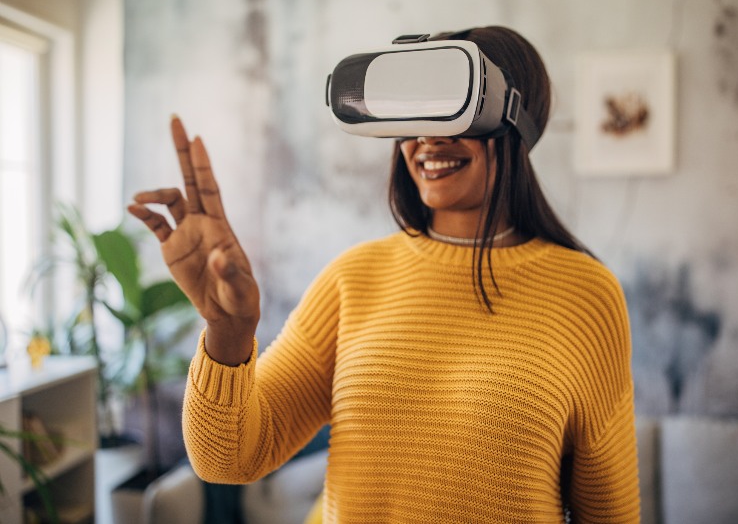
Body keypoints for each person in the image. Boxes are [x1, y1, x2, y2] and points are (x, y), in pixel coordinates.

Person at [128, 26, 640, 523]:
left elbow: (609, 512)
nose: (426, 140)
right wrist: (228, 333)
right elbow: (228, 458)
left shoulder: (586, 295)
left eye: (452, 112)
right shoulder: (354, 278)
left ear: (513, 119)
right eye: (414, 117)